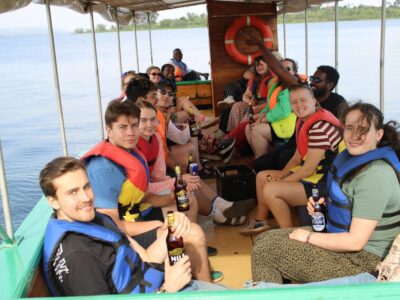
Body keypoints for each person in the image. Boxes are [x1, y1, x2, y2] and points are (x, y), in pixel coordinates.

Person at [252, 102, 400, 283]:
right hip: (340, 240)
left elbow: (355, 242)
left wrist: (308, 237)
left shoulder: (375, 176)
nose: (354, 136)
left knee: (266, 252)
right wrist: (322, 208)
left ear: (378, 134)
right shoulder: (351, 157)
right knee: (264, 240)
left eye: (363, 130)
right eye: (349, 128)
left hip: (363, 260)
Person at [40, 157, 227, 296]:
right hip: (164, 291)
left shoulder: (97, 219)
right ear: (53, 201)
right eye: (73, 192)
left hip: (157, 285)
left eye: (87, 187)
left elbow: (144, 257)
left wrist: (174, 226)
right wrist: (168, 290)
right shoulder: (77, 258)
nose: (86, 197)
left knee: (227, 292)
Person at [82, 100, 212, 282]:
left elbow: (142, 196)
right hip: (124, 236)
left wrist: (170, 198)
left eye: (134, 126)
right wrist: (160, 225)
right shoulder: (102, 169)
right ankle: (206, 289)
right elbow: (114, 226)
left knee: (186, 200)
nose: (130, 132)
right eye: (122, 127)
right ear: (109, 130)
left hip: (137, 215)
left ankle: (189, 259)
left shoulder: (131, 153)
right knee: (194, 233)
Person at [241, 84, 342, 234]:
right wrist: (281, 175)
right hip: (313, 177)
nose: (298, 105)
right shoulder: (303, 120)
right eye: (294, 102)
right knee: (262, 177)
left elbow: (308, 169)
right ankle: (260, 221)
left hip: (325, 184)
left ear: (314, 101)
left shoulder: (319, 127)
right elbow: (296, 158)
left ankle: (289, 233)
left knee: (271, 189)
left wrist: (281, 182)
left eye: (303, 100)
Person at [136, 100, 254, 226]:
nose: (149, 124)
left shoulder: (156, 138)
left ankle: (222, 206)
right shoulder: (135, 145)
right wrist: (176, 182)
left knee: (190, 181)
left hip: (155, 184)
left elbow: (158, 176)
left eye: (153, 119)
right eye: (143, 120)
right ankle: (220, 214)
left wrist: (175, 182)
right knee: (187, 187)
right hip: (143, 194)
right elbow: (143, 188)